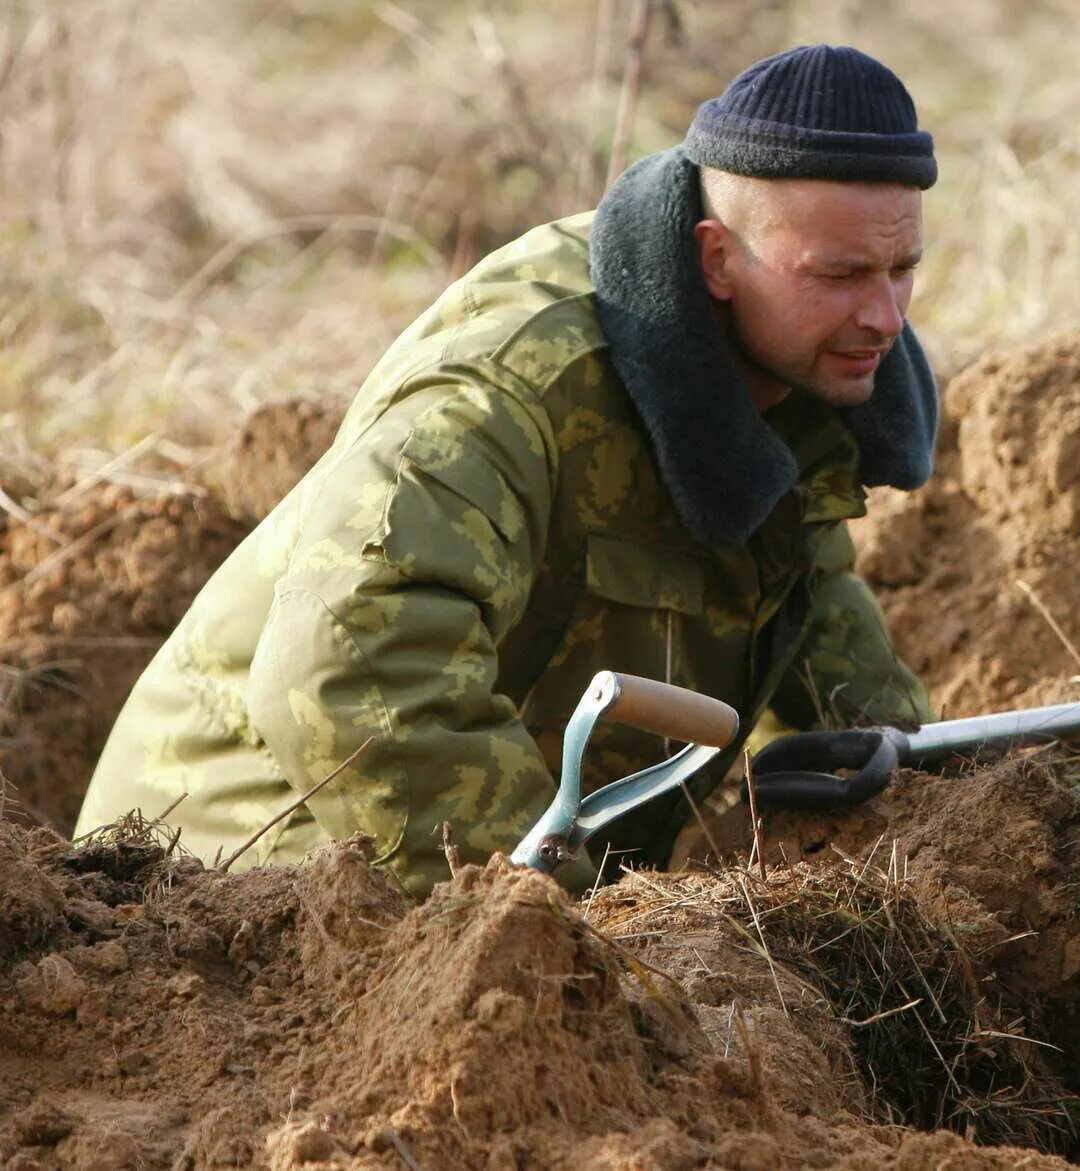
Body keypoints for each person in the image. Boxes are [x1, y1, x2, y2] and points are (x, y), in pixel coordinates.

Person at [76, 45, 939, 897]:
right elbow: (350, 659)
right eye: (841, 274)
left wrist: (928, 786)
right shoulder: (512, 386)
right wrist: (558, 921)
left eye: (903, 270)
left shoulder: (803, 358)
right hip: (231, 873)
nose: (884, 316)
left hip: (445, 865)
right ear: (716, 258)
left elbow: (801, 598)